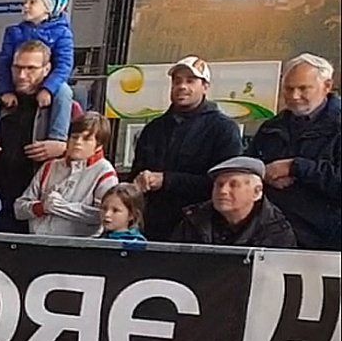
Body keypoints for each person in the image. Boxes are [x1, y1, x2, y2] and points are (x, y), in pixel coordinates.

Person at [127, 56, 244, 240]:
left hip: (203, 231)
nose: (182, 86)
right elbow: (136, 172)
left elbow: (223, 183)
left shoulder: (224, 129)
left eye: (190, 81)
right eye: (177, 81)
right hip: (153, 229)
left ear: (205, 86)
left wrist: (167, 180)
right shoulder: (153, 129)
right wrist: (141, 180)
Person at [250, 54, 340, 250]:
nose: (294, 96)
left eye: (303, 88)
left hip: (326, 245)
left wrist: (296, 167)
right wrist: (265, 175)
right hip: (270, 239)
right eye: (289, 89)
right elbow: (247, 168)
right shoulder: (270, 128)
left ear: (327, 86)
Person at [0, 41, 71, 234]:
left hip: (40, 202)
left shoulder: (61, 104)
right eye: (17, 68)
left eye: (31, 68)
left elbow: (89, 151)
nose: (22, 75)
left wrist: (64, 149)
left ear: (47, 69)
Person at [0, 0, 75, 143]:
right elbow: (4, 62)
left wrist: (48, 88)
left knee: (64, 93)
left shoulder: (62, 33)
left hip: (48, 81)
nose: (25, 6)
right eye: (25, 2)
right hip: (17, 83)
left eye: (32, 2)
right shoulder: (13, 32)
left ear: (48, 7)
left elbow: (64, 65)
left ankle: (58, 137)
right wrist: (6, 90)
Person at [14, 113, 118, 237]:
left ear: (99, 146)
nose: (78, 143)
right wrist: (41, 207)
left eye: (86, 139)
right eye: (74, 137)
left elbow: (103, 216)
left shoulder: (105, 172)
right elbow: (19, 208)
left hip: (78, 247)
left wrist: (60, 207)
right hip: (38, 243)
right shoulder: (50, 166)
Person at [172, 157, 298, 248]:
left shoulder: (276, 230)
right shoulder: (194, 219)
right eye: (219, 185)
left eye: (233, 185)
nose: (223, 191)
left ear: (257, 192)